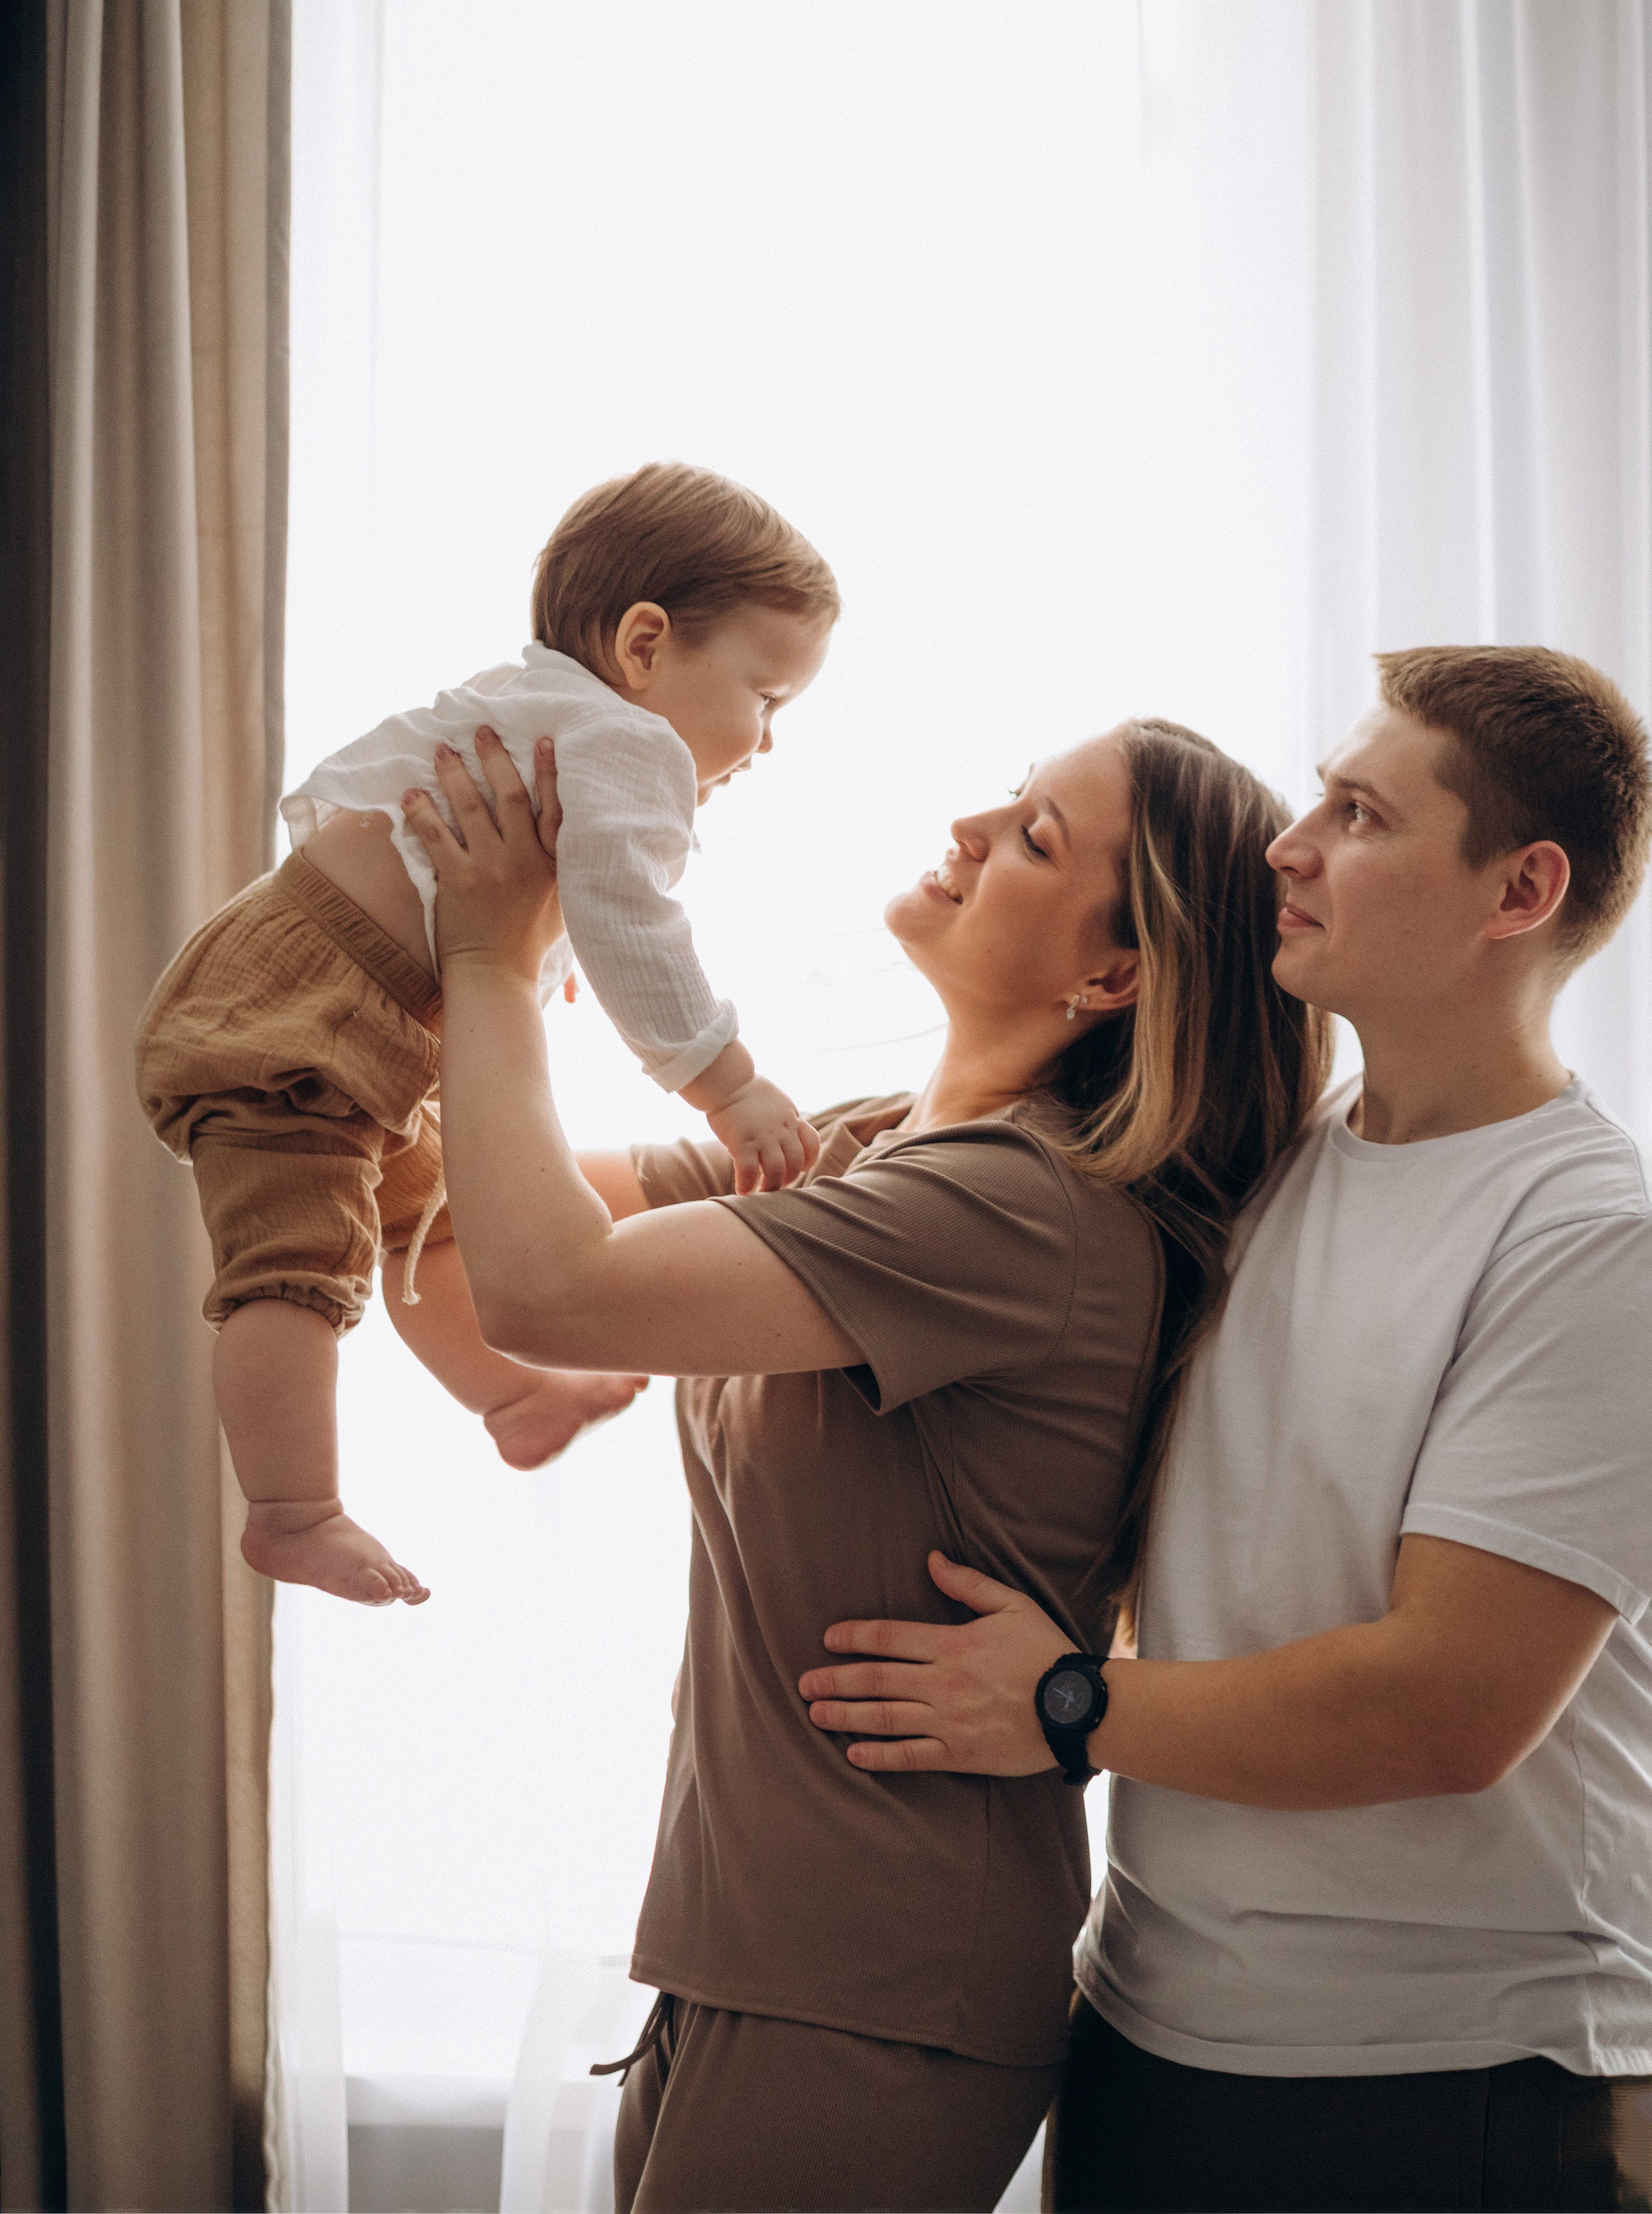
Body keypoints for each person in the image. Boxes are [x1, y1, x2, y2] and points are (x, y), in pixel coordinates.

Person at [398, 712, 1330, 2214]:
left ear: (1112, 975)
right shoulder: (868, 1145)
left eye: (1030, 834)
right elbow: (467, 1241)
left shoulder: (1014, 1209)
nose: (967, 823)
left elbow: (544, 1287)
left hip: (873, 1979)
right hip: (754, 1949)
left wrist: (493, 958)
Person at [800, 644, 1652, 2213]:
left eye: (1356, 812)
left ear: (1517, 890)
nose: (1286, 845)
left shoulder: (1591, 1235)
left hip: (1456, 2087)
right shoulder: (1268, 1166)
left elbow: (1447, 1705)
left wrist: (1061, 1704)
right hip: (1146, 2039)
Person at [134, 463, 836, 1605]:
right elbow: (636, 931)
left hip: (350, 1003)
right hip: (306, 1016)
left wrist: (532, 962)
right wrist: (731, 1086)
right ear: (646, 645)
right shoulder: (630, 745)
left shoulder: (550, 702)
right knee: (297, 1263)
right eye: (769, 699)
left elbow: (487, 884)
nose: (766, 744)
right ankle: (292, 1508)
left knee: (429, 1218)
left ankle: (511, 1393)